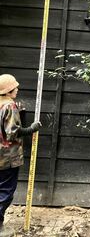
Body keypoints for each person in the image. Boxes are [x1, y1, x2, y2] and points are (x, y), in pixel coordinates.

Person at [0, 74, 41, 235]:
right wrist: (32, 128)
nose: (17, 89)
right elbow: (12, 133)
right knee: (6, 191)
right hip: (7, 157)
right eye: (14, 87)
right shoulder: (10, 106)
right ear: (8, 90)